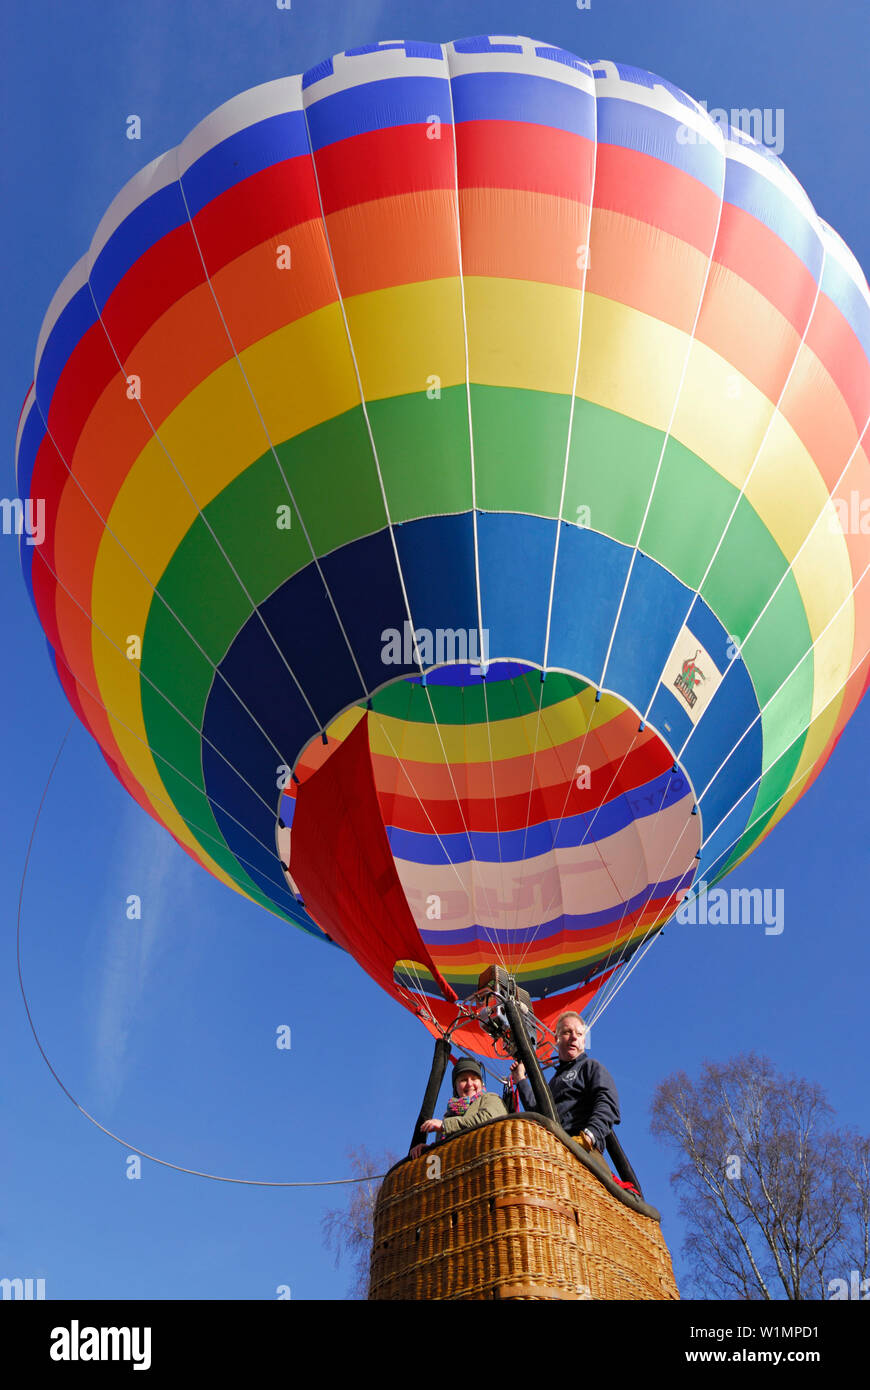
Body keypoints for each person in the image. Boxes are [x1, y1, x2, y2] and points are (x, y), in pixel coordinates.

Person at [510, 1012, 620, 1162]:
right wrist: (521, 1080)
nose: (573, 1037)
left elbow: (608, 1103)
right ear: (557, 1038)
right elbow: (539, 1112)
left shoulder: (590, 1067)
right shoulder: (554, 1081)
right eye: (567, 1032)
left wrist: (589, 1135)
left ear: (584, 1040)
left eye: (579, 1033)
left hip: (584, 1150)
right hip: (554, 1151)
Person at [410, 1058, 506, 1158]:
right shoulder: (449, 1115)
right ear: (456, 1087)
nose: (469, 1084)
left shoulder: (490, 1098)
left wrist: (445, 1126)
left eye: (474, 1079)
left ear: (481, 1083)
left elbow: (488, 1119)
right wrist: (428, 1150)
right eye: (463, 1080)